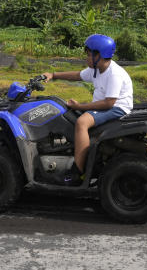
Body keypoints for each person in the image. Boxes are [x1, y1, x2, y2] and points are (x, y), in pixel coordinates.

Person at [43, 34, 132, 184]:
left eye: (88, 54)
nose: (86, 57)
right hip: (106, 104)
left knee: (82, 123)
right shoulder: (97, 68)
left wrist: (81, 107)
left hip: (118, 107)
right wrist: (53, 75)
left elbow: (109, 103)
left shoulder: (114, 74)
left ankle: (77, 172)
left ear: (99, 55)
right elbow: (78, 75)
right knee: (67, 114)